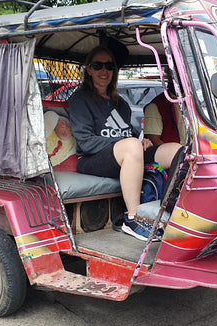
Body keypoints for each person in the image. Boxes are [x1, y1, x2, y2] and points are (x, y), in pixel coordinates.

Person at [69, 45, 182, 241]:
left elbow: (128, 132)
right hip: (92, 159)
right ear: (88, 69)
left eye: (109, 66)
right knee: (130, 146)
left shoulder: (120, 103)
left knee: (177, 150)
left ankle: (170, 210)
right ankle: (132, 219)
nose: (104, 71)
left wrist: (142, 141)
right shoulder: (80, 99)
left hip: (125, 154)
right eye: (98, 66)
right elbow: (85, 142)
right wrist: (127, 143)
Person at [143, 67, 186, 146]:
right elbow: (153, 139)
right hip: (172, 156)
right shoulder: (156, 106)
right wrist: (175, 155)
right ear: (168, 77)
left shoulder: (193, 103)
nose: (180, 80)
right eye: (175, 77)